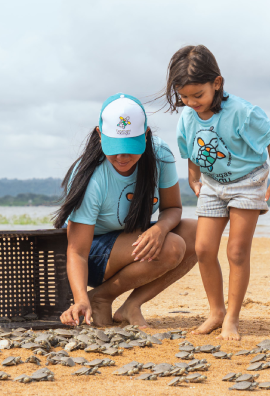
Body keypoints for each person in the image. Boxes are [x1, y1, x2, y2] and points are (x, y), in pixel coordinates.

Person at [160, 45, 270, 340]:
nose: (191, 102)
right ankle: (216, 312)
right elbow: (190, 150)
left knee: (237, 251)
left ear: (217, 83)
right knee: (203, 249)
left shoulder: (242, 112)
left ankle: (232, 318)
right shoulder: (188, 117)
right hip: (212, 186)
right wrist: (193, 178)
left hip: (247, 182)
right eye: (185, 97)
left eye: (198, 95)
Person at [53, 93, 197, 328]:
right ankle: (99, 297)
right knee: (173, 247)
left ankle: (131, 306)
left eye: (130, 147)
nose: (122, 156)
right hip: (93, 254)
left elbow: (172, 208)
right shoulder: (92, 176)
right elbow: (77, 251)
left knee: (198, 234)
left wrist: (160, 228)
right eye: (115, 148)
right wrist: (80, 299)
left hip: (128, 242)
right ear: (100, 136)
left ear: (146, 135)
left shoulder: (160, 154)